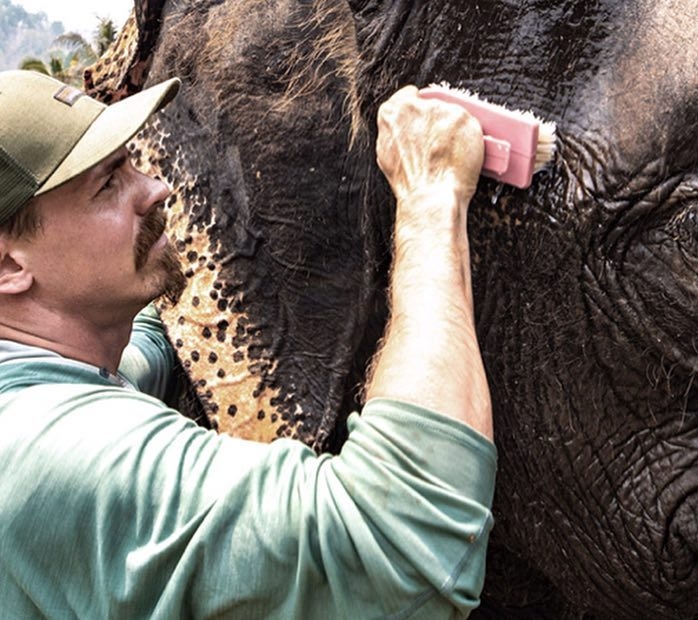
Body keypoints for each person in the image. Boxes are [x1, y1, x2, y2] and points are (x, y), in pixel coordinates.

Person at [0, 70, 495, 618]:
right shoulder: (55, 454)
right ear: (8, 265)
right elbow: (398, 546)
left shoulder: (45, 374)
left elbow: (148, 347)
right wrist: (430, 200)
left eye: (131, 161)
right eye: (108, 183)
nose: (155, 188)